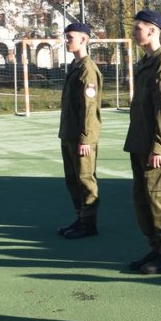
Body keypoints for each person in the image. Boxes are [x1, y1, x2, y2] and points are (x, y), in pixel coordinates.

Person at [124, 9, 161, 274]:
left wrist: (158, 147)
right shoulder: (146, 63)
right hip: (141, 143)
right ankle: (156, 248)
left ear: (152, 30)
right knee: (143, 200)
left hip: (158, 147)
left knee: (160, 200)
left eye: (138, 28)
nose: (134, 32)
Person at [56, 22, 102, 239]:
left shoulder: (87, 69)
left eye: (70, 37)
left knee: (85, 179)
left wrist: (85, 139)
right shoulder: (75, 66)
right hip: (69, 133)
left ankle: (89, 223)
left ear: (84, 40)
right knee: (72, 179)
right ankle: (80, 217)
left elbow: (89, 108)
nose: (66, 41)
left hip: (81, 136)